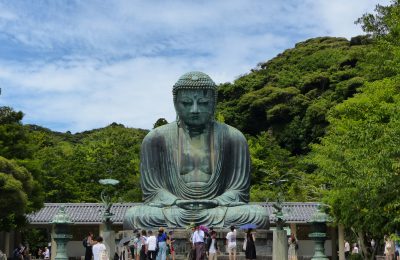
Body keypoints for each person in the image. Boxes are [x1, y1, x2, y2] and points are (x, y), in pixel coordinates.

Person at [124, 71, 269, 229]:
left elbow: (238, 190)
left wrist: (217, 201)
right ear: (175, 103)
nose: (194, 109)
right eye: (186, 103)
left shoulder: (233, 138)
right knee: (134, 216)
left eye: (203, 103)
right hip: (174, 209)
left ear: (213, 103)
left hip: (217, 209)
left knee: (258, 215)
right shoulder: (156, 138)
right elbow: (153, 191)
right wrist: (176, 202)